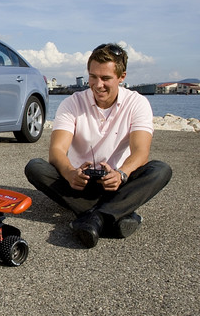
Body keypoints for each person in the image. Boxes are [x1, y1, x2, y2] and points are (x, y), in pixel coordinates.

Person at [24, 43, 172, 248]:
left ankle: (96, 217)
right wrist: (69, 173)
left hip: (119, 182)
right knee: (35, 167)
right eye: (93, 76)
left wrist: (121, 173)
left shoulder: (137, 103)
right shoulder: (72, 103)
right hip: (80, 182)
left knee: (160, 169)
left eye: (106, 78)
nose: (97, 84)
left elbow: (140, 152)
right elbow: (57, 151)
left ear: (122, 77)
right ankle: (118, 214)